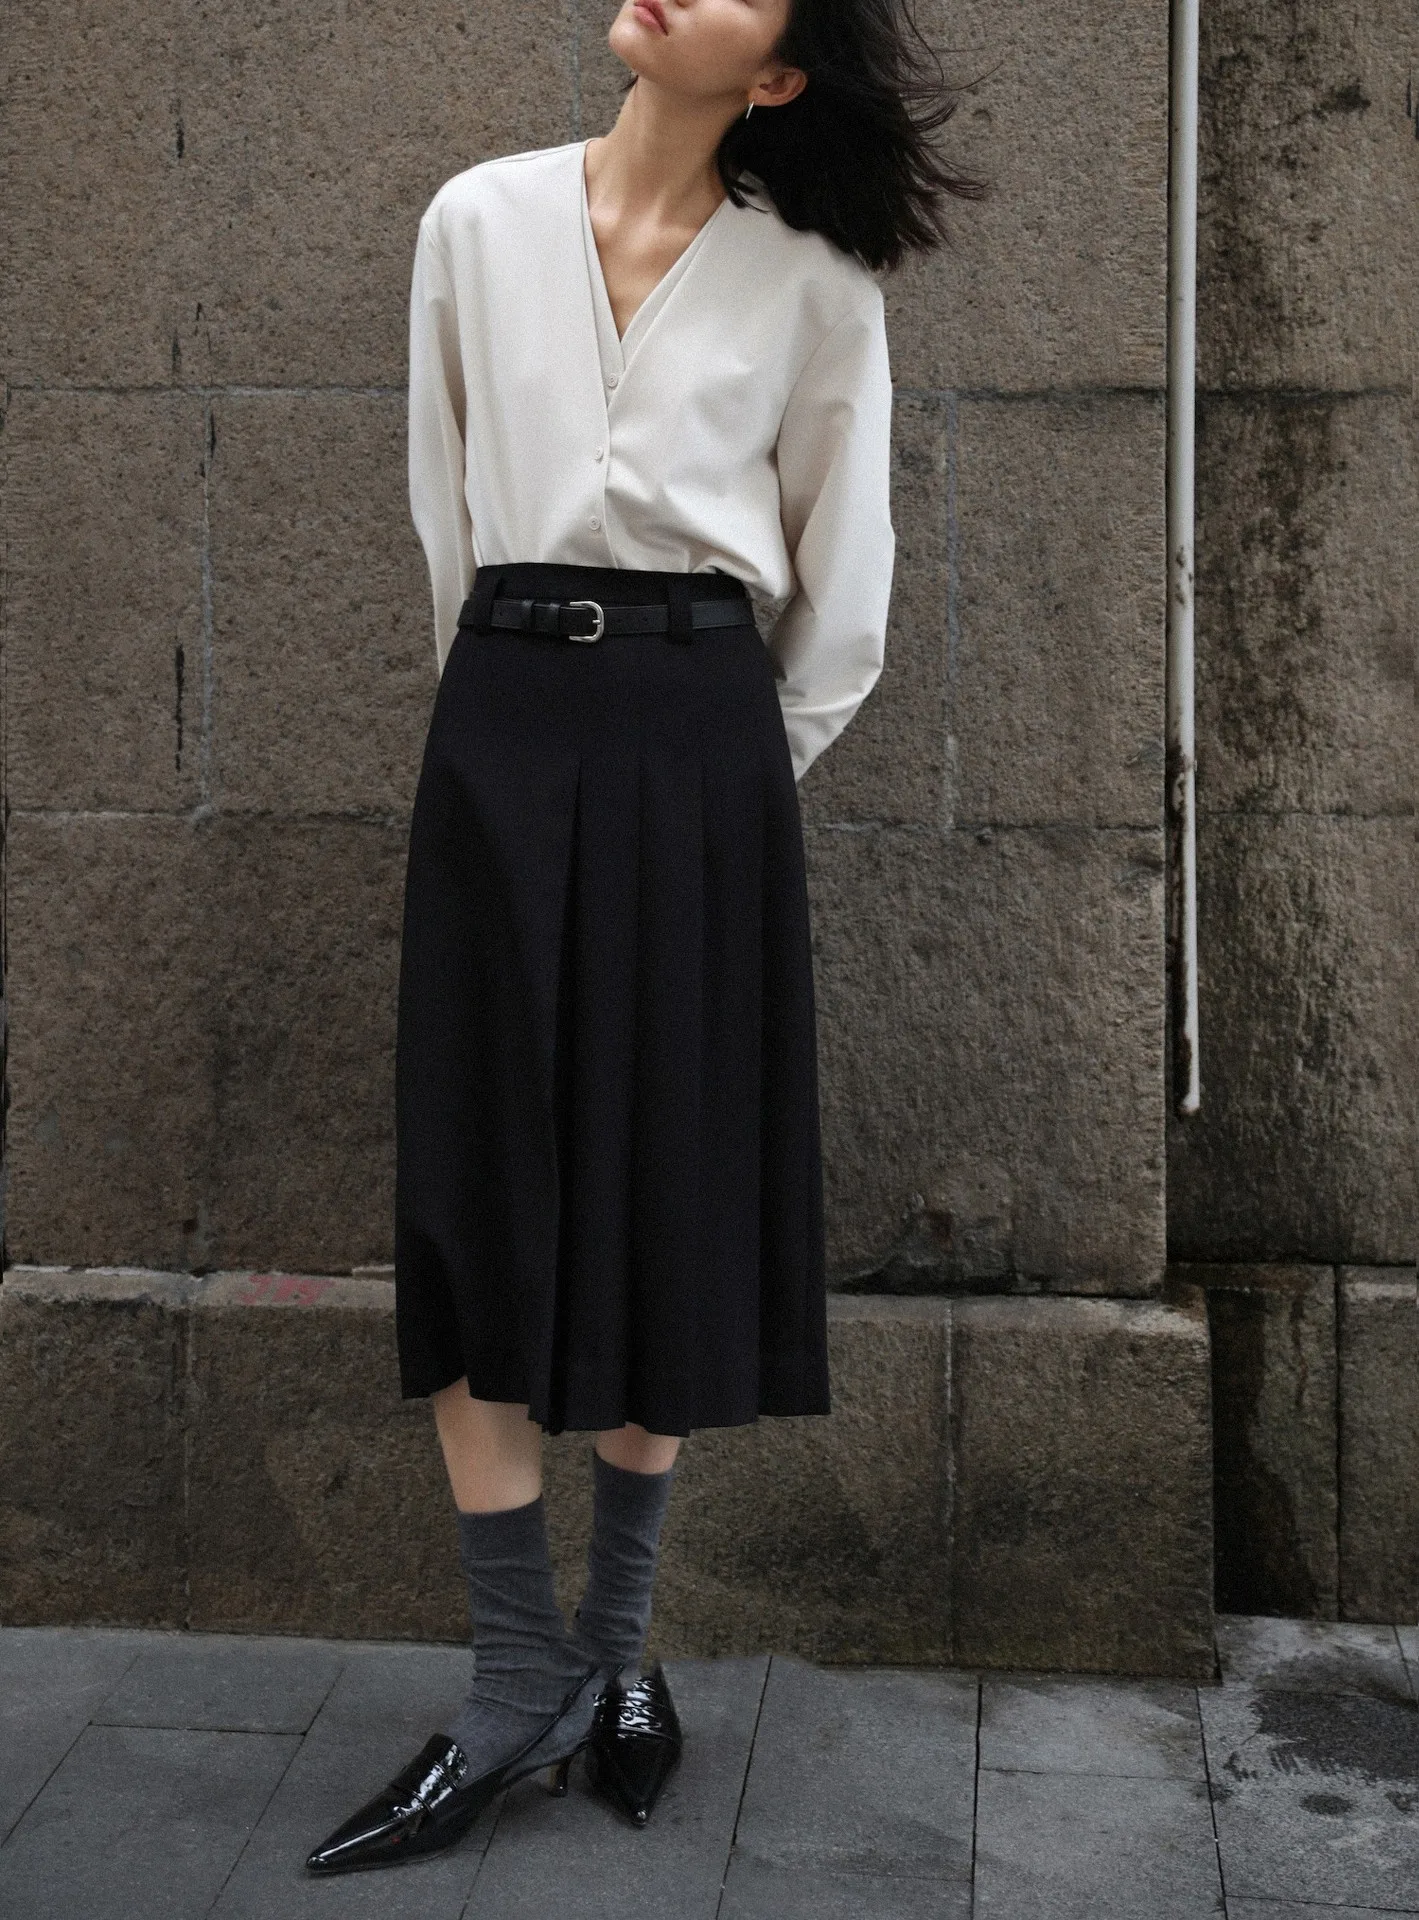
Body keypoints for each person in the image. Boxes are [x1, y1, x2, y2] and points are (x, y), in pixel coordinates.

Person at [306, 0, 975, 1875]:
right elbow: (446, 503)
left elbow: (841, 583)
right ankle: (517, 1665)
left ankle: (610, 1651)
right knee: (477, 1176)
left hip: (700, 742)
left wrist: (720, 780)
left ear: (778, 74)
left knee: (665, 1184)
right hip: (507, 711)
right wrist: (508, 719)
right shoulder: (476, 221)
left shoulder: (812, 280)